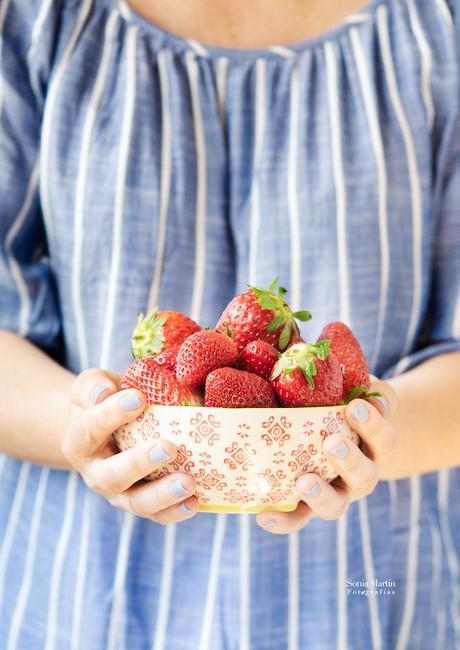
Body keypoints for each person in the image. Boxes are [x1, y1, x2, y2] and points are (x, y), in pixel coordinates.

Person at [0, 0, 459, 647]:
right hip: (82, 596)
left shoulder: (439, 28)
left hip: (365, 594)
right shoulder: (37, 20)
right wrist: (89, 429)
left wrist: (378, 431)